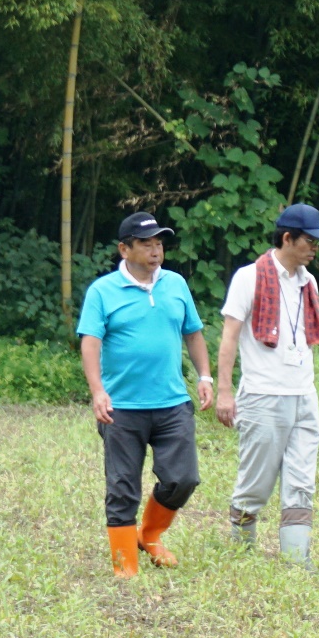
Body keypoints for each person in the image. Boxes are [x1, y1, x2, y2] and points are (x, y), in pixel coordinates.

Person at [77, 211, 213, 578]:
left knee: (183, 479)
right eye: (146, 243)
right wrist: (98, 392)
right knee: (122, 486)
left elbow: (194, 333)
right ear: (125, 249)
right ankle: (125, 566)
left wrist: (205, 376)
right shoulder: (102, 291)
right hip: (122, 409)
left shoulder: (175, 284)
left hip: (172, 404)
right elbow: (90, 342)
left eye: (159, 243)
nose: (155, 251)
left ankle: (149, 535)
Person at [215, 203, 319, 569]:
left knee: (302, 479)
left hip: (304, 395)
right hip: (263, 396)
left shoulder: (308, 282)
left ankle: (298, 560)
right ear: (288, 238)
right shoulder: (248, 277)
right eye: (310, 241)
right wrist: (224, 391)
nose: (315, 248)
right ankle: (241, 551)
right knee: (257, 481)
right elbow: (229, 336)